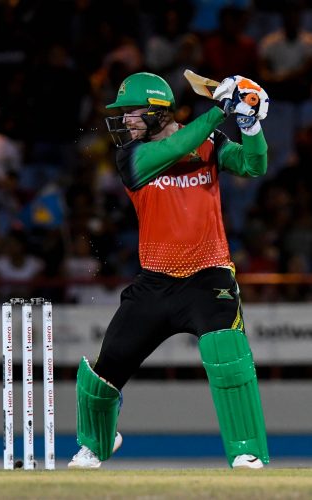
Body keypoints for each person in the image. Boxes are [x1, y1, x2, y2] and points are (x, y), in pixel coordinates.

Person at [68, 71, 270, 469]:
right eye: (122, 112)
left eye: (132, 111)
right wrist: (220, 110)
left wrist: (250, 123)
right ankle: (95, 443)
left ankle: (247, 451)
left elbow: (253, 165)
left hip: (208, 276)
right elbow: (178, 145)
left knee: (227, 354)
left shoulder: (210, 143)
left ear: (160, 111)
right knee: (107, 369)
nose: (125, 120)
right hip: (154, 284)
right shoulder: (132, 157)